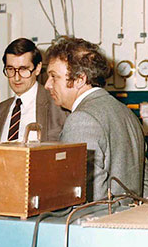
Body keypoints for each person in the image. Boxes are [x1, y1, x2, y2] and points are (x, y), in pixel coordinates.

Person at [44, 36, 145, 200]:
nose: (47, 84)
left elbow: (84, 200)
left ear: (79, 79)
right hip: (125, 221)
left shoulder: (81, 120)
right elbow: (144, 183)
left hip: (94, 223)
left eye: (54, 76)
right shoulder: (127, 114)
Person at [0, 38, 67, 142]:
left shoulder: (57, 104)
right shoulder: (2, 109)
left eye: (23, 69)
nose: (16, 78)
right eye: (10, 69)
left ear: (38, 68)